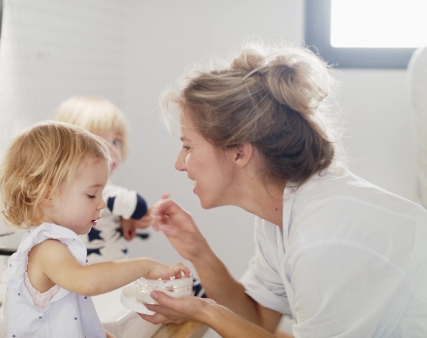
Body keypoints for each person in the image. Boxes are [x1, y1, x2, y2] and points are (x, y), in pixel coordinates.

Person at [141, 40, 427, 337]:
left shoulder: (322, 237)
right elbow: (258, 320)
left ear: (239, 152)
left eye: (188, 146)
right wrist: (198, 252)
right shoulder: (280, 214)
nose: (179, 163)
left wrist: (204, 310)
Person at [0, 121, 190, 338]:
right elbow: (87, 282)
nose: (102, 204)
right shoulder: (46, 249)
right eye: (91, 195)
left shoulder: (55, 245)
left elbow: (68, 317)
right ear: (47, 194)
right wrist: (145, 266)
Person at [54, 96, 151, 264]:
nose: (112, 151)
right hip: (108, 276)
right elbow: (138, 205)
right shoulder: (97, 191)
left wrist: (122, 221)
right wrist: (137, 213)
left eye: (116, 141)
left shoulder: (60, 191)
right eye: (100, 142)